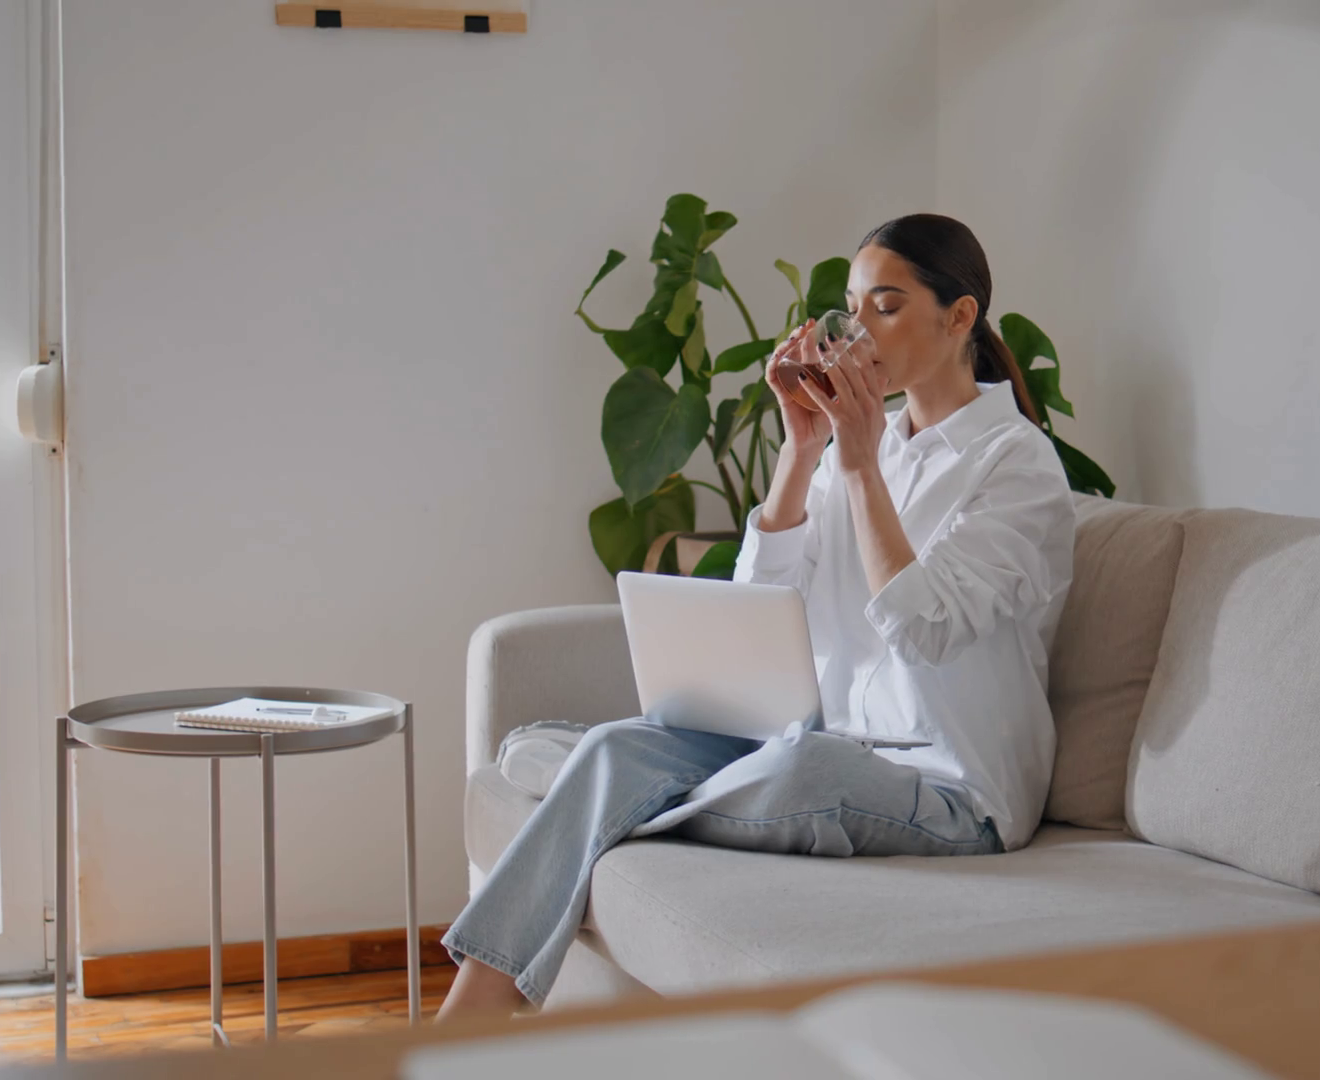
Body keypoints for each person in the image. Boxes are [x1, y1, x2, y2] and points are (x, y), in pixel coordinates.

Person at [435, 214, 1077, 1019]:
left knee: (792, 771)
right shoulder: (864, 442)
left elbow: (924, 628)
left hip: (953, 791)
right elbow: (765, 600)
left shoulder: (1014, 464)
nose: (860, 333)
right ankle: (469, 1019)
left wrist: (857, 462)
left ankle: (595, 785)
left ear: (960, 318)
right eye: (852, 307)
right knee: (622, 745)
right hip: (825, 740)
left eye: (887, 305)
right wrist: (801, 451)